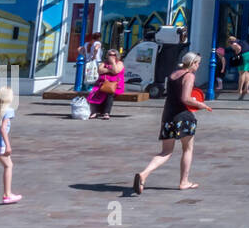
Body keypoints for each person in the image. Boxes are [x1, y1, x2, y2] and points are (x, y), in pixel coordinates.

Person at [134, 52, 212, 194]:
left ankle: (144, 174)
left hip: (168, 116)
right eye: (198, 63)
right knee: (187, 149)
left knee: (165, 152)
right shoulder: (189, 76)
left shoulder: (173, 75)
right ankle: (184, 182)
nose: (198, 66)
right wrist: (201, 105)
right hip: (183, 117)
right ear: (193, 63)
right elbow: (185, 99)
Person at [86, 47, 126, 119]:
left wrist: (113, 63)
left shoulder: (120, 63)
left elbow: (116, 71)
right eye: (110, 55)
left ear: (117, 56)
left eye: (114, 55)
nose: (112, 56)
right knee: (94, 93)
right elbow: (100, 70)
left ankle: (106, 113)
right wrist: (110, 69)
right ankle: (94, 112)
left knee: (109, 93)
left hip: (115, 85)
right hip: (102, 84)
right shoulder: (104, 63)